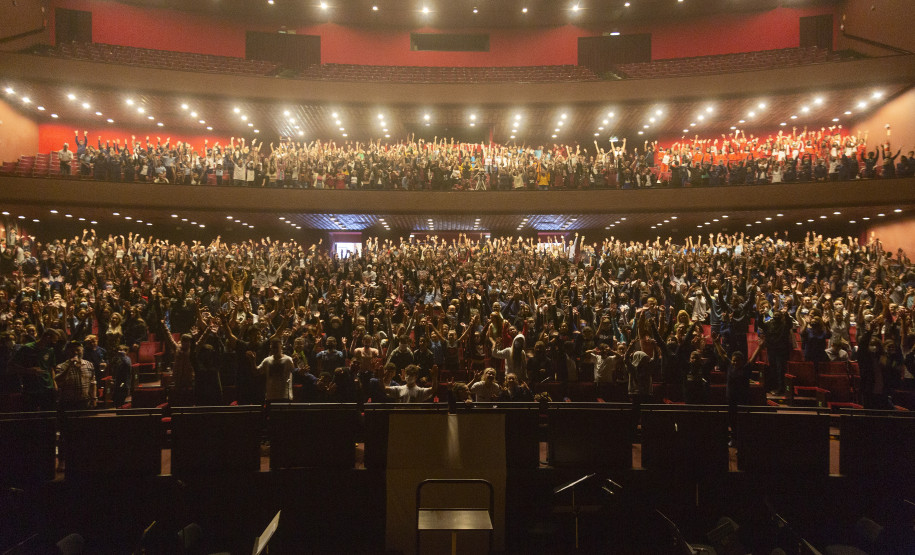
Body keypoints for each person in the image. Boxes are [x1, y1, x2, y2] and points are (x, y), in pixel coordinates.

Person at [10, 328, 59, 411]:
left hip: (47, 388)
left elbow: (51, 368)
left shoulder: (50, 350)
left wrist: (54, 384)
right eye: (53, 340)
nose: (54, 343)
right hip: (31, 388)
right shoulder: (27, 348)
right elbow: (12, 365)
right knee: (31, 413)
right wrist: (28, 370)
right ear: (47, 337)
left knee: (48, 413)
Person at [54, 341, 97, 411]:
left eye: (78, 350)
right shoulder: (61, 366)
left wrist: (94, 398)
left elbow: (93, 383)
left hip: (85, 402)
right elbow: (59, 381)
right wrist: (69, 366)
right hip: (67, 403)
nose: (75, 352)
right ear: (67, 352)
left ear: (82, 351)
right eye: (72, 351)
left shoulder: (89, 365)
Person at [258, 337, 294, 402]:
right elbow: (256, 372)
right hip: (271, 396)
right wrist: (252, 361)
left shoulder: (288, 360)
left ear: (281, 347)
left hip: (284, 396)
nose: (274, 350)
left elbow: (294, 371)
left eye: (276, 347)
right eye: (273, 348)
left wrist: (296, 364)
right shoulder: (267, 360)